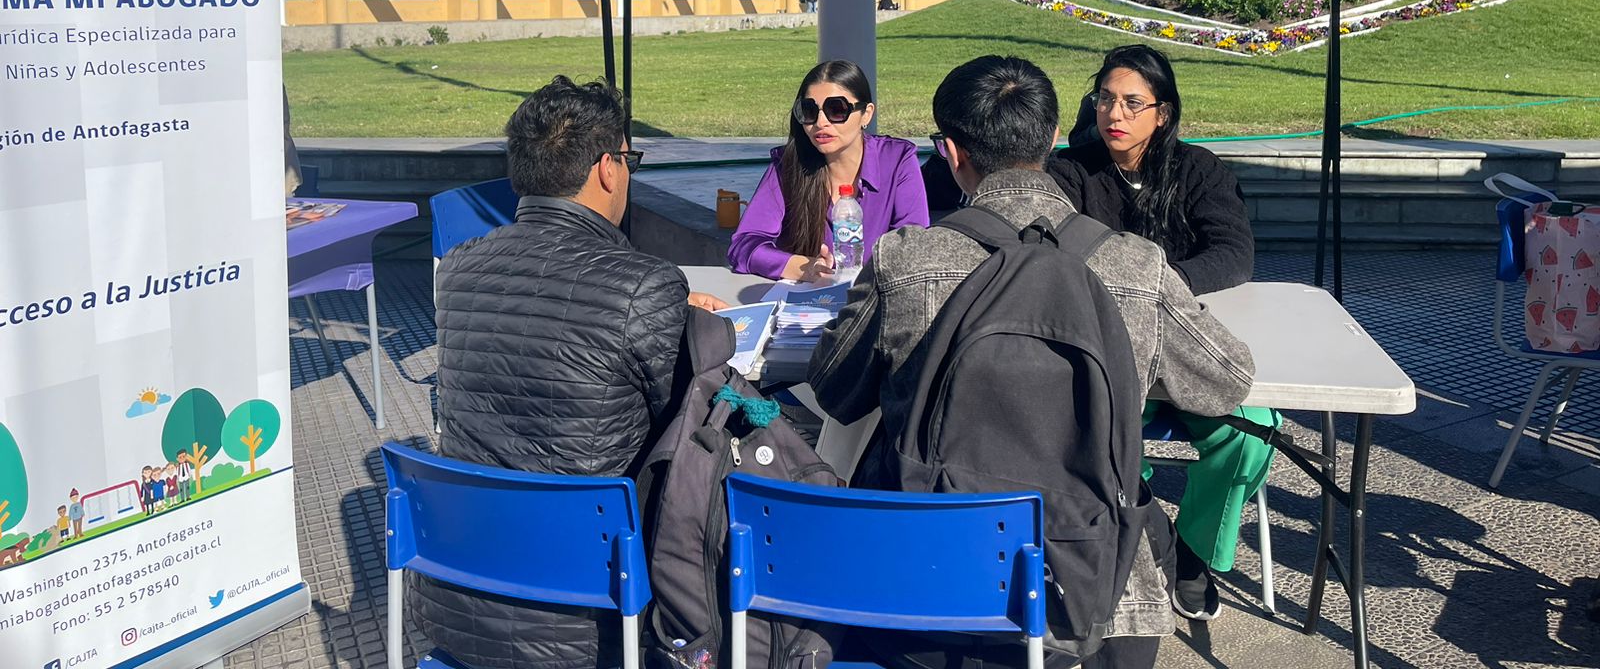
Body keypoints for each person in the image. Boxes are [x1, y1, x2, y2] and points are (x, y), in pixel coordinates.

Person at [809, 56, 1254, 669]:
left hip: (925, 582)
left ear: (951, 152)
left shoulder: (904, 259)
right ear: (1050, 140)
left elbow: (835, 391)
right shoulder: (1136, 267)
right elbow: (1227, 380)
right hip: (1098, 594)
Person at [414, 75, 724, 669]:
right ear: (609, 168)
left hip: (459, 594)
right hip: (594, 614)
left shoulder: (456, 270)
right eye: (630, 159)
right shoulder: (644, 285)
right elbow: (689, 416)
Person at [1048, 44, 1273, 623]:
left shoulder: (1200, 170)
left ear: (1162, 113)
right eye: (1104, 99)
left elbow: (1233, 255)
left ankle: (1193, 552)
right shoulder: (1070, 172)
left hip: (1183, 342)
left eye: (1132, 103)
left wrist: (1157, 286)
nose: (1114, 115)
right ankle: (1139, 529)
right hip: (1104, 350)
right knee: (1096, 431)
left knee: (1253, 433)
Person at [730, 60, 929, 280]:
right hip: (806, 303)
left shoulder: (897, 160)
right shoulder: (787, 165)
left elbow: (913, 247)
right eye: (809, 110)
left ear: (866, 114)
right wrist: (804, 267)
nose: (821, 122)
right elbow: (744, 245)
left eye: (837, 109)